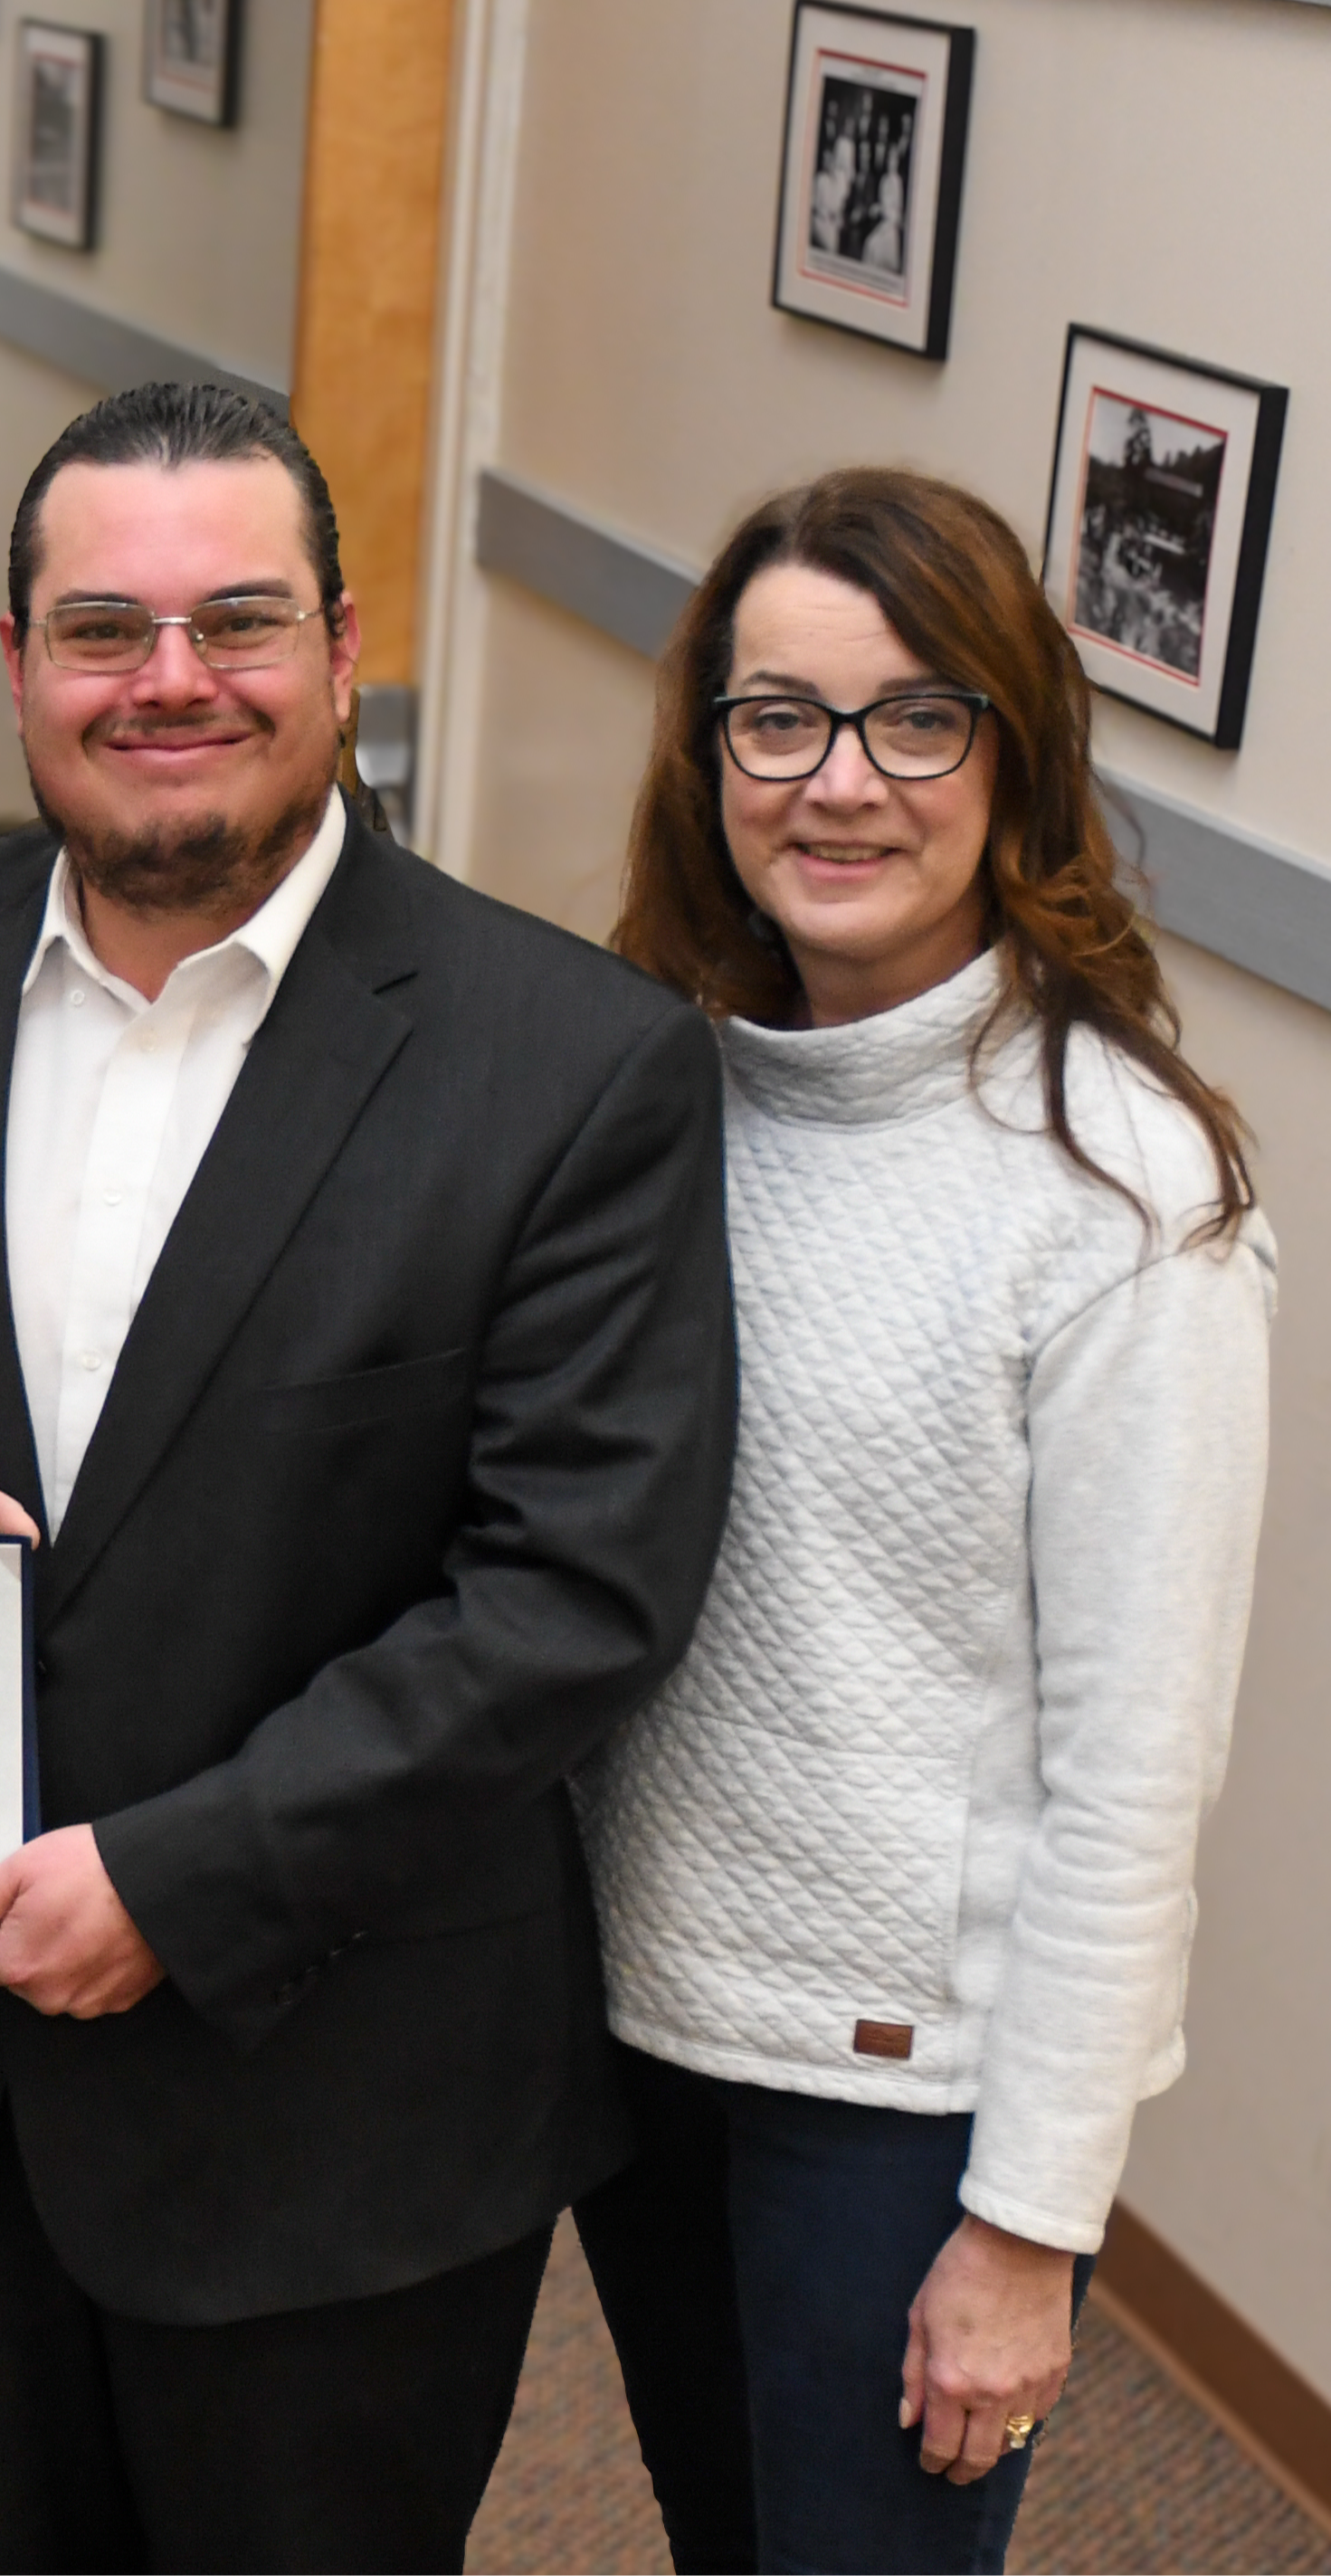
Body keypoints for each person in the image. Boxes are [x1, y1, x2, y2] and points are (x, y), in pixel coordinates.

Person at [0, 382, 739, 2575]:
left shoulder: (573, 1064)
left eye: (236, 621)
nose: (170, 682)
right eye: (104, 626)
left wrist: (188, 1874)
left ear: (345, 652)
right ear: (18, 659)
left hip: (330, 2129)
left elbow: (574, 1592)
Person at [574, 468, 1274, 2576]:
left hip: (900, 2107)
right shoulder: (649, 1093)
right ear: (711, 757)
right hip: (631, 2021)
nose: (839, 783)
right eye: (778, 718)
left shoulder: (1125, 1190)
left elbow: (1135, 1769)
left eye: (917, 719)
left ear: (1016, 754)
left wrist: (1031, 2222)